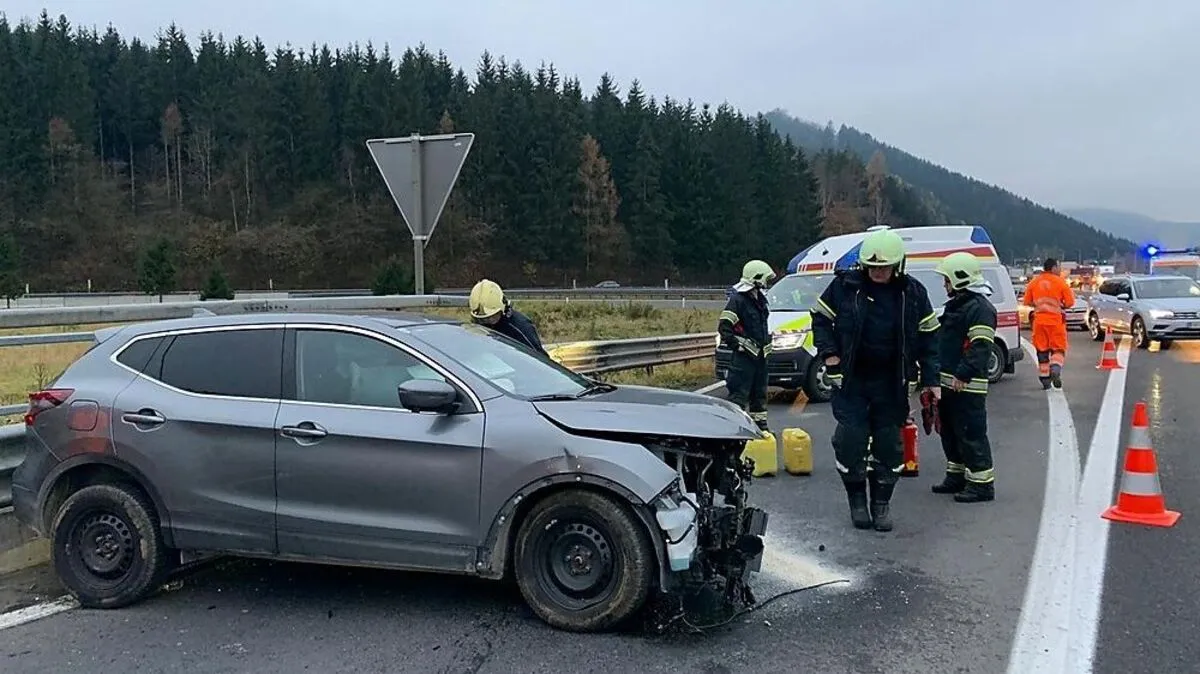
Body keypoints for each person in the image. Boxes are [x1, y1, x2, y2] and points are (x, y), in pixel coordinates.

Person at [811, 229, 941, 532]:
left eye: (883, 267)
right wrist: (830, 355)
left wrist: (932, 380)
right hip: (852, 381)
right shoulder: (845, 288)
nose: (877, 272)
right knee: (849, 442)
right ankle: (857, 500)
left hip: (892, 384)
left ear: (898, 265)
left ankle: (881, 505)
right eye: (871, 267)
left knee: (890, 448)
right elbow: (820, 319)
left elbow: (930, 340)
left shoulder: (914, 293)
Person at [931, 252, 997, 503]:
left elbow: (980, 347)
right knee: (950, 432)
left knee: (971, 433)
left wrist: (963, 374)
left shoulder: (980, 309)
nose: (944, 285)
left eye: (946, 280)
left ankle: (981, 484)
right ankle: (957, 475)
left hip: (967, 387)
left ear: (959, 279)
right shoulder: (958, 305)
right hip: (950, 386)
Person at [718, 260, 775, 432]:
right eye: (765, 278)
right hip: (743, 361)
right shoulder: (738, 301)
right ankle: (733, 431)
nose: (767, 282)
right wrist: (739, 345)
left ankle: (760, 429)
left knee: (759, 396)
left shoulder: (760, 300)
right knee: (738, 397)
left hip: (760, 359)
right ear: (756, 278)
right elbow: (724, 327)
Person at [1021, 258, 1075, 389]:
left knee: (1042, 351)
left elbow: (1027, 301)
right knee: (1058, 349)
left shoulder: (1034, 283)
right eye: (1058, 266)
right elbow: (1069, 302)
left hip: (1039, 322)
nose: (1060, 269)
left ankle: (1045, 380)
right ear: (1053, 268)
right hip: (1056, 322)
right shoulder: (1060, 283)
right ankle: (1055, 369)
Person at [468, 279, 547, 356]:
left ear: (503, 307)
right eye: (482, 319)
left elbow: (540, 358)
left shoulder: (521, 326)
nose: (488, 321)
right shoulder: (476, 327)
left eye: (492, 316)